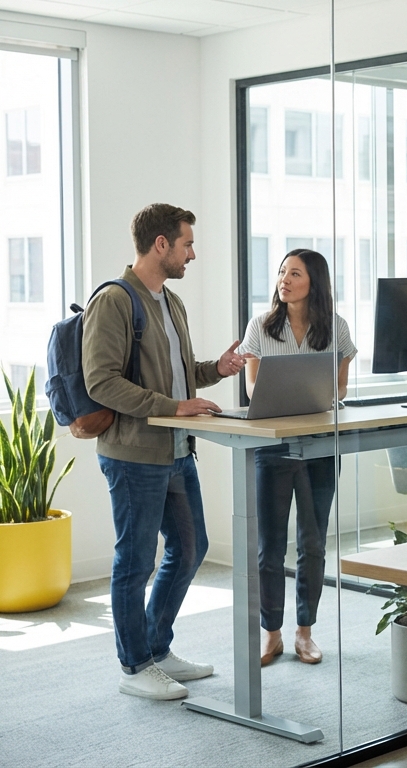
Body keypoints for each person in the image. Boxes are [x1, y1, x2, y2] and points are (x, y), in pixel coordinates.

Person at [83, 203, 248, 700]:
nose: (192, 254)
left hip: (176, 449)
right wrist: (174, 407)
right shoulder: (114, 300)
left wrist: (215, 369)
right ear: (161, 244)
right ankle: (135, 667)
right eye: (187, 243)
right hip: (133, 453)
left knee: (191, 546)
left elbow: (173, 376)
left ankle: (156, 646)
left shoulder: (170, 301)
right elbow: (100, 381)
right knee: (134, 562)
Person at [239, 249, 356, 667]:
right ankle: (270, 634)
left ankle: (305, 633)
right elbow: (253, 388)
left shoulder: (336, 329)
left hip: (321, 446)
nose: (283, 280)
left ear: (314, 282)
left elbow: (339, 389)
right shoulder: (261, 326)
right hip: (274, 446)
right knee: (270, 547)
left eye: (294, 273)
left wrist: (317, 393)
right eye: (281, 272)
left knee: (312, 542)